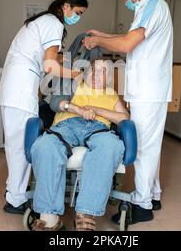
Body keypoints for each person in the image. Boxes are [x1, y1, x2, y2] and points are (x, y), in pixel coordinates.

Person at [83, 0, 173, 224]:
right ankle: (152, 194)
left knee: (143, 145)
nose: (126, 1)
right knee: (150, 143)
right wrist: (101, 35)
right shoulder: (148, 7)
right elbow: (127, 38)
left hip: (150, 89)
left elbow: (126, 45)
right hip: (147, 88)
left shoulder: (152, 5)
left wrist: (99, 41)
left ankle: (142, 205)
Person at [0, 0, 88, 214]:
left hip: (15, 86)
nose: (77, 17)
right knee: (21, 145)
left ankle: (13, 193)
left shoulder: (42, 21)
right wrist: (75, 73)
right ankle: (16, 200)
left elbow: (47, 61)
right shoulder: (53, 24)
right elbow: (50, 65)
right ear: (65, 6)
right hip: (19, 89)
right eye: (77, 12)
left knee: (15, 144)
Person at [30, 60, 130, 231]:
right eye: (93, 69)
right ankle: (49, 218)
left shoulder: (111, 93)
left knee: (111, 146)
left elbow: (124, 118)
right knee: (45, 145)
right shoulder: (74, 83)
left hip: (98, 128)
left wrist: (96, 110)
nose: (96, 74)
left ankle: (86, 215)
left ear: (108, 77)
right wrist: (80, 109)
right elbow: (56, 101)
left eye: (102, 71)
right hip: (66, 124)